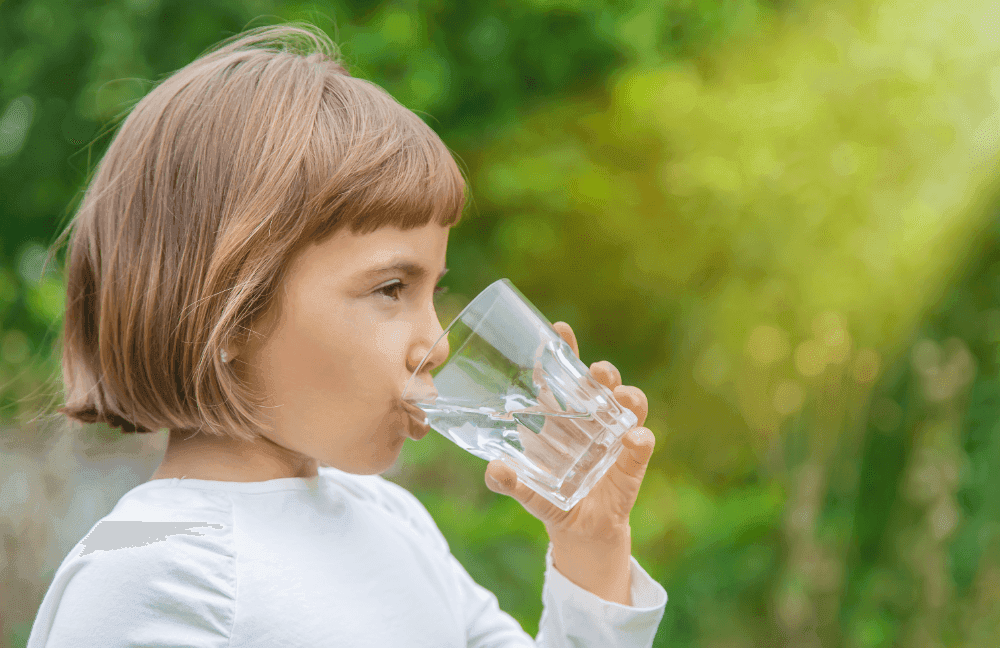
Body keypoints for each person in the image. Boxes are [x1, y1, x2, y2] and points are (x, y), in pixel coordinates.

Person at [26, 23, 667, 647]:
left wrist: (592, 548)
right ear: (227, 314)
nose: (438, 344)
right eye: (392, 289)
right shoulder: (147, 569)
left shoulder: (392, 521)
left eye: (433, 291)